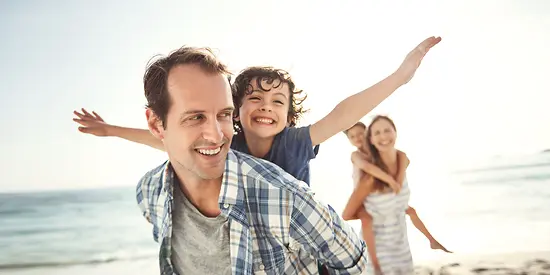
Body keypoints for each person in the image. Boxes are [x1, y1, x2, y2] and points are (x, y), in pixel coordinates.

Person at [134, 46, 373, 274]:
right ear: (156, 124)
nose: (216, 135)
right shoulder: (150, 191)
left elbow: (352, 260)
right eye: (196, 117)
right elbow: (170, 144)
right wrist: (110, 130)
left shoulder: (286, 191)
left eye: (223, 115)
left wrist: (401, 75)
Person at [342, 116, 450, 275]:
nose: (357, 138)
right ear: (372, 138)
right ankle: (376, 265)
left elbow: (403, 161)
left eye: (360, 134)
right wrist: (391, 182)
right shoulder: (358, 157)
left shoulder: (394, 156)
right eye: (352, 136)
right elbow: (368, 169)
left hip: (399, 242)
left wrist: (396, 184)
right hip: (365, 201)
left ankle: (432, 240)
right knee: (367, 220)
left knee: (410, 210)